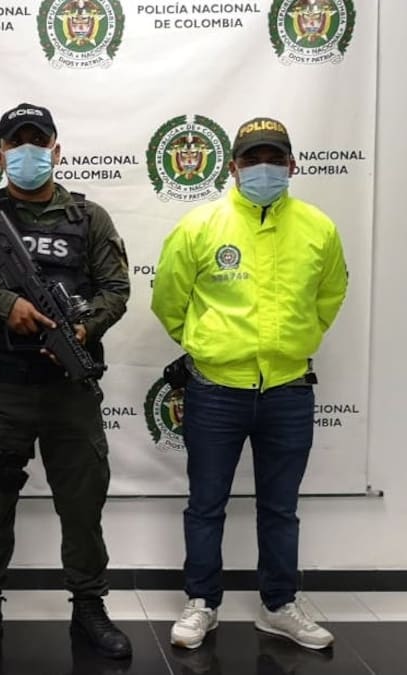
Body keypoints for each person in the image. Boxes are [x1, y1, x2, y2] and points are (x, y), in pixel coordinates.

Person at [0, 103, 132, 661]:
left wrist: (84, 327)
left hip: (70, 391)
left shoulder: (88, 218)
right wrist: (4, 302)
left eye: (37, 142)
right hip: (4, 389)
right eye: (16, 143)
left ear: (56, 150)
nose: (27, 151)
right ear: (0, 153)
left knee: (82, 505)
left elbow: (117, 289)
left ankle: (89, 606)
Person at [151, 117, 348, 651]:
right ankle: (201, 602)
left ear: (292, 165)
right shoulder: (199, 226)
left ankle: (278, 605)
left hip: (289, 389)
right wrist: (207, 344)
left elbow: (330, 296)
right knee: (205, 504)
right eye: (253, 159)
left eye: (274, 159)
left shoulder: (318, 228)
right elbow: (168, 300)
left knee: (280, 508)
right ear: (233, 168)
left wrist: (299, 339)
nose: (264, 168)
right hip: (216, 389)